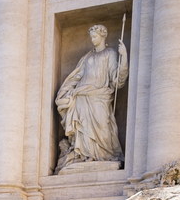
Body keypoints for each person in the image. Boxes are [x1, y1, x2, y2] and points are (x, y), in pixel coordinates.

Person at [55, 23, 128, 167]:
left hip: (99, 96)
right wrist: (65, 92)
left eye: (95, 36)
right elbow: (77, 76)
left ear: (102, 36)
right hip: (81, 95)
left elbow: (117, 78)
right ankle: (84, 155)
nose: (92, 39)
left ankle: (105, 155)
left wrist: (124, 56)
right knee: (82, 127)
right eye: (91, 37)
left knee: (103, 126)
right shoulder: (87, 57)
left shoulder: (110, 53)